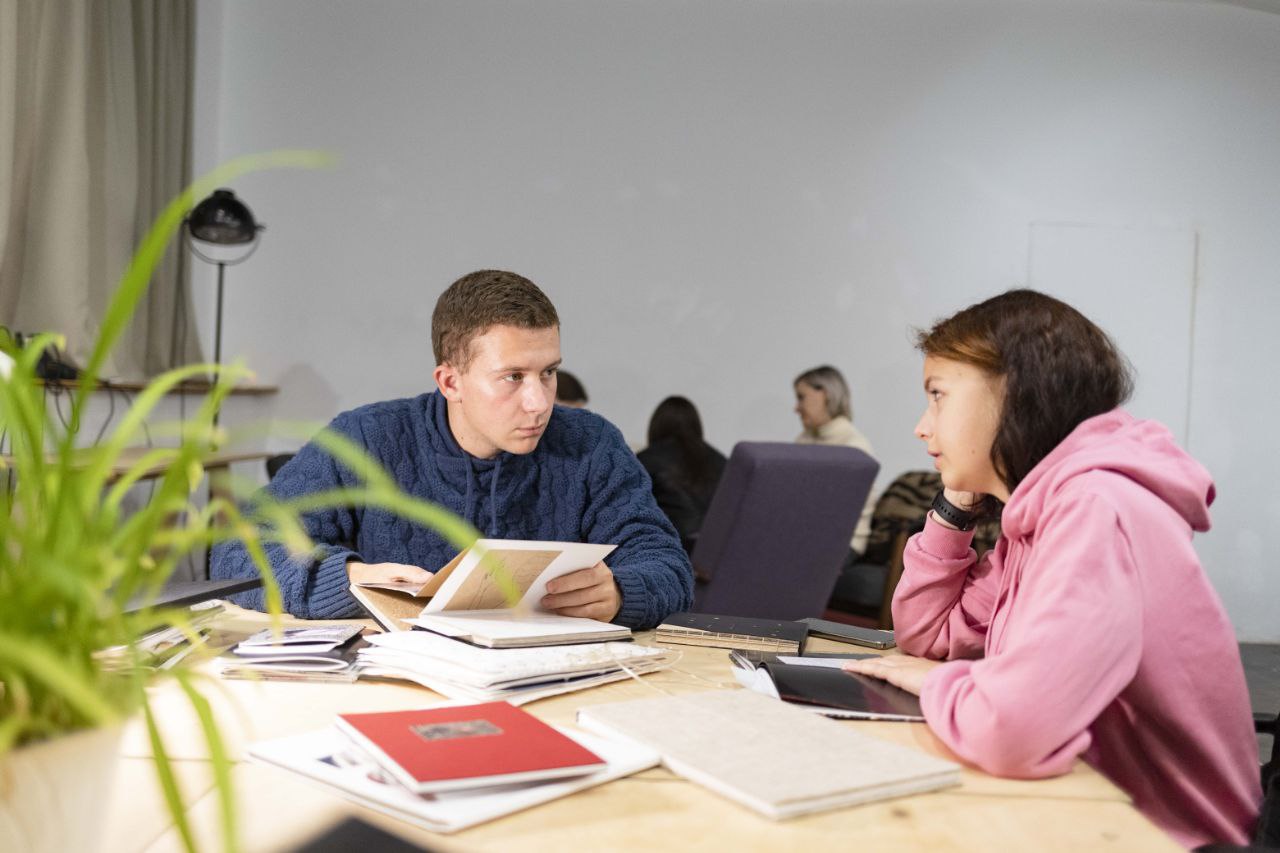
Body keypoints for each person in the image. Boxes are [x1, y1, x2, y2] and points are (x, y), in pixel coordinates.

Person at [843, 289, 1260, 847]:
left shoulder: (1096, 509)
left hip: (1165, 834)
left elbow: (1011, 731)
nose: (923, 426)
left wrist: (940, 683)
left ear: (1015, 394)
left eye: (938, 396)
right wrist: (956, 504)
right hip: (1093, 804)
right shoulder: (1041, 516)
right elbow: (929, 638)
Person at [211, 270, 693, 629]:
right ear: (450, 382)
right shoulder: (365, 439)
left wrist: (621, 592)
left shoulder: (592, 443)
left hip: (551, 685)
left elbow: (667, 563)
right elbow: (237, 552)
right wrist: (350, 577)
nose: (540, 401)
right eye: (513, 377)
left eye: (548, 372)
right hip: (398, 692)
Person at [794, 365, 877, 555]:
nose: (796, 408)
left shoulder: (854, 447)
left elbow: (832, 512)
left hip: (843, 543)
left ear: (825, 395)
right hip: (806, 537)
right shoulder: (803, 439)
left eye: (801, 397)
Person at [635, 396, 727, 554]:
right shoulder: (721, 461)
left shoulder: (646, 459)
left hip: (671, 549)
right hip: (717, 549)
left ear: (656, 426)